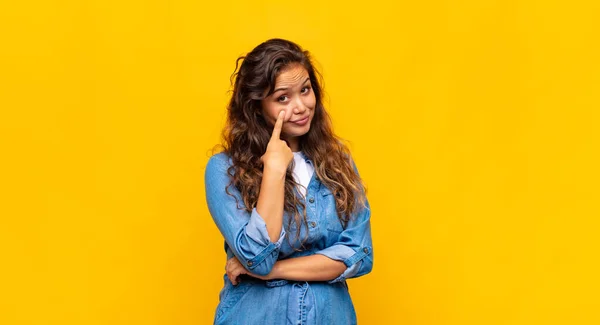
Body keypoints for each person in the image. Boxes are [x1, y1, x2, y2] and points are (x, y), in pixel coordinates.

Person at [204, 38, 374, 325]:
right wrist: (273, 170)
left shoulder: (338, 163)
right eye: (283, 98)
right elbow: (258, 257)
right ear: (257, 107)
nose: (301, 106)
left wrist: (272, 272)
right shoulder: (224, 169)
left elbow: (359, 254)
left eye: (305, 90)